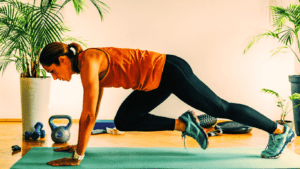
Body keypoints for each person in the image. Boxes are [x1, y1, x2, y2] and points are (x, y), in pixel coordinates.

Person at [40, 42, 295, 166]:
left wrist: (78, 156)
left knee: (221, 108)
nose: (54, 77)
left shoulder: (88, 62)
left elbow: (86, 115)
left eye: (52, 71)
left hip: (170, 71)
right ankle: (185, 125)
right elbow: (92, 111)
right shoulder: (87, 65)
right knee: (124, 120)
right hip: (153, 82)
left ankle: (281, 131)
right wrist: (79, 147)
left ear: (63, 60)